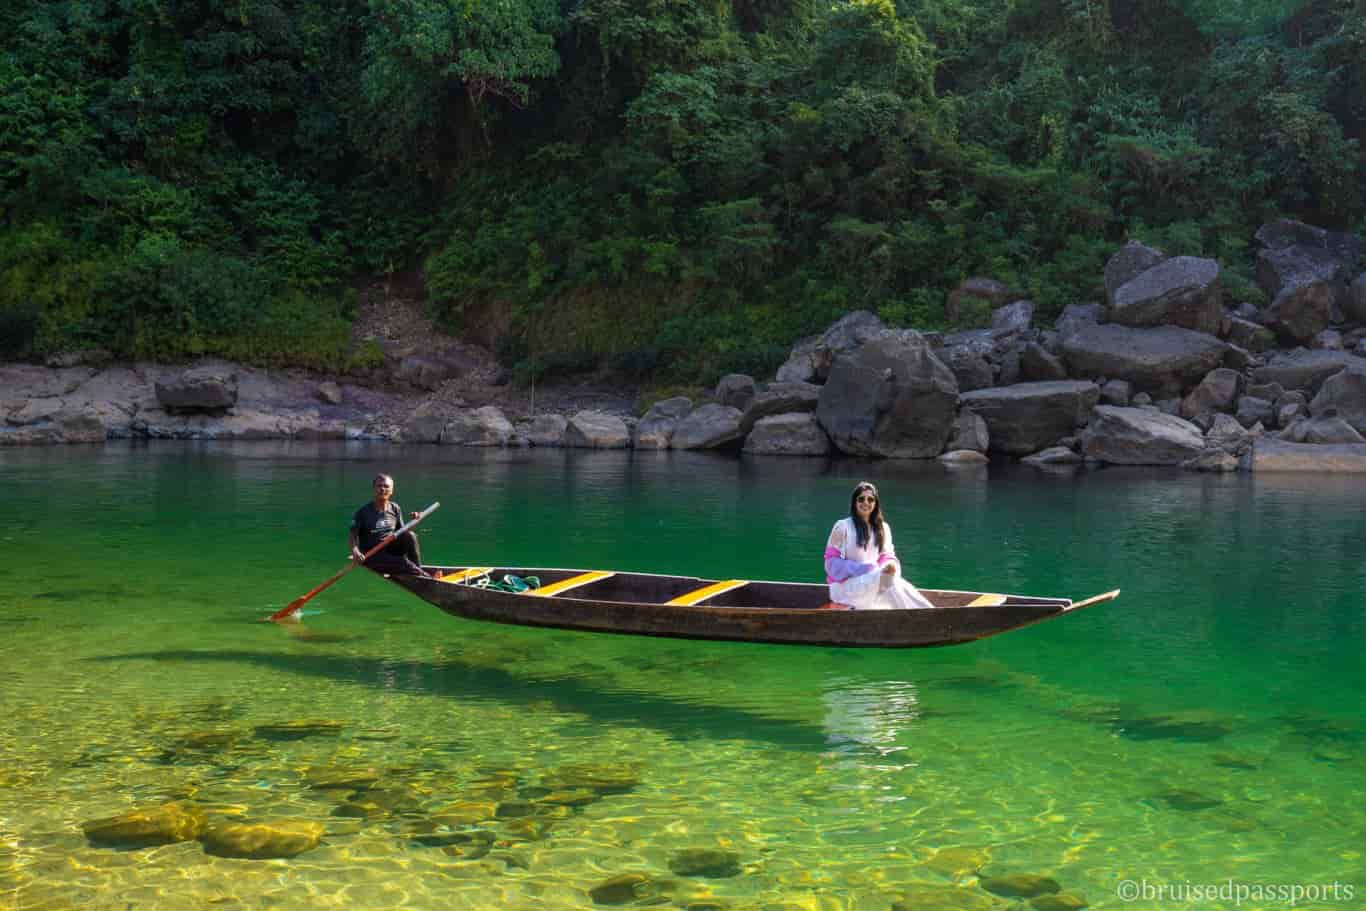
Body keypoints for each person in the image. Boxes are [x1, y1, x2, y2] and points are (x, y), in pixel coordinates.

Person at [823, 482, 933, 610]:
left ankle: (929, 611)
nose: (866, 503)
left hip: (874, 580)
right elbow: (830, 564)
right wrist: (864, 569)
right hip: (845, 588)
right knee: (888, 581)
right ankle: (926, 615)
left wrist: (888, 567)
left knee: (895, 582)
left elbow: (887, 557)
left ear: (875, 504)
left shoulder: (883, 528)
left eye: (870, 499)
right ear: (854, 502)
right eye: (861, 499)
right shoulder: (842, 526)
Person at [349, 474, 429, 577]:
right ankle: (425, 576)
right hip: (372, 555)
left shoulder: (395, 508)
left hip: (390, 551)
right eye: (379, 486)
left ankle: (418, 571)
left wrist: (414, 521)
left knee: (411, 535)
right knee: (401, 562)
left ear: (391, 490)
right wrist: (355, 552)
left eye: (386, 486)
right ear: (374, 489)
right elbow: (352, 536)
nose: (382, 489)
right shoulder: (362, 513)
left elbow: (403, 533)